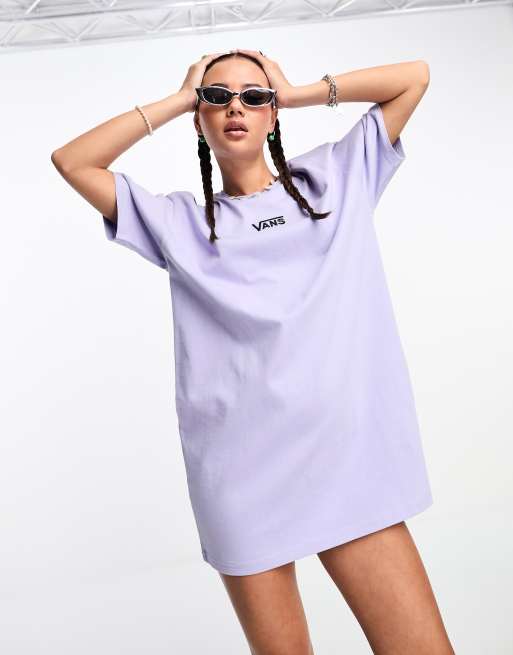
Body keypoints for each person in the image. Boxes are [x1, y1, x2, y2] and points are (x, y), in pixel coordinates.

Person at [51, 50, 455, 655]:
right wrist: (179, 99)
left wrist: (295, 91)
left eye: (253, 96)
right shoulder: (180, 224)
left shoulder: (336, 179)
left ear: (272, 114)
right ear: (201, 119)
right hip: (241, 479)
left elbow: (414, 78)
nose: (235, 107)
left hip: (347, 461)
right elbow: (72, 160)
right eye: (217, 98)